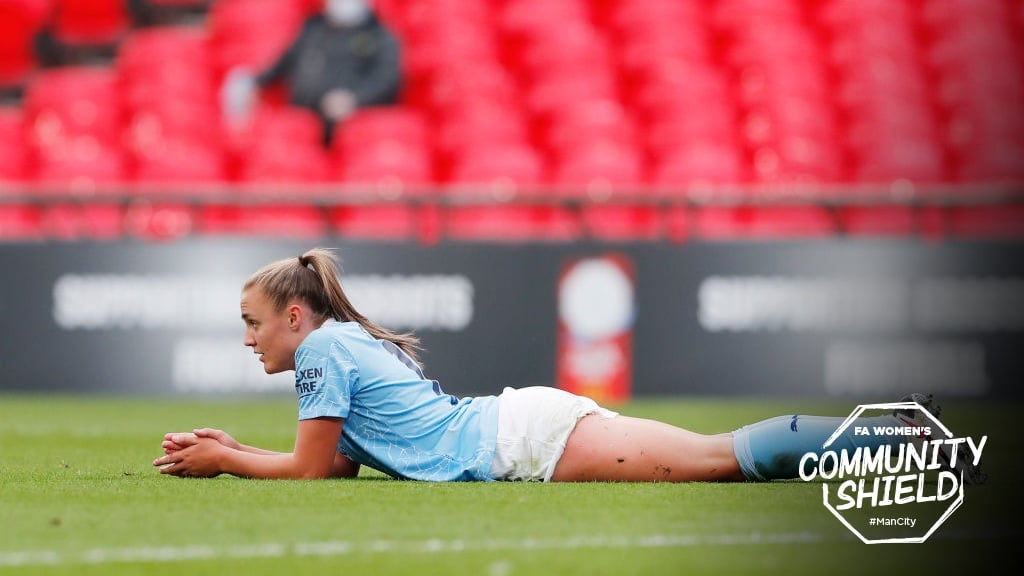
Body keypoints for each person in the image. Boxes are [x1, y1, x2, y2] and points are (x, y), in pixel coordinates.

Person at [153, 248, 986, 484]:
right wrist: (234, 452)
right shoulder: (339, 344)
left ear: (294, 317)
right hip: (519, 426)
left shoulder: (323, 348)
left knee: (718, 459)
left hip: (521, 441)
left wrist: (228, 458)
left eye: (253, 324)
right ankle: (899, 432)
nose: (249, 339)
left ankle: (908, 440)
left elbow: (304, 470)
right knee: (717, 457)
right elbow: (333, 465)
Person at [221, 0, 402, 147]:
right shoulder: (313, 29)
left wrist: (354, 99)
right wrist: (256, 81)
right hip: (304, 121)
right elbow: (284, 63)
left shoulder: (380, 35)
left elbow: (386, 79)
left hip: (348, 125)